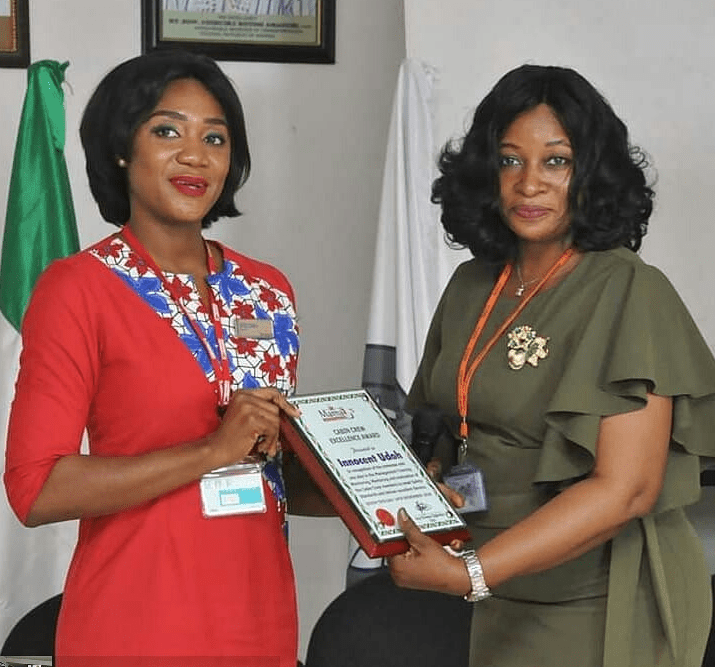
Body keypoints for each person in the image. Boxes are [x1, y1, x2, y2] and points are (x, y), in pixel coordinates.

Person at [388, 64, 715, 667]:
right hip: (495, 590)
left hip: (594, 601)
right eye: (510, 161)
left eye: (556, 161)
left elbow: (627, 489)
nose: (529, 183)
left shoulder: (630, 291)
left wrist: (473, 574)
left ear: (591, 172)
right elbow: (446, 426)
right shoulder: (471, 284)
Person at [4, 50, 302, 666]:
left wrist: (386, 485)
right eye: (167, 130)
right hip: (136, 625)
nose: (194, 155)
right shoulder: (77, 288)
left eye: (214, 137)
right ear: (121, 149)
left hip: (259, 622)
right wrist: (211, 450)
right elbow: (36, 490)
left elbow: (274, 470)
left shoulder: (268, 290)